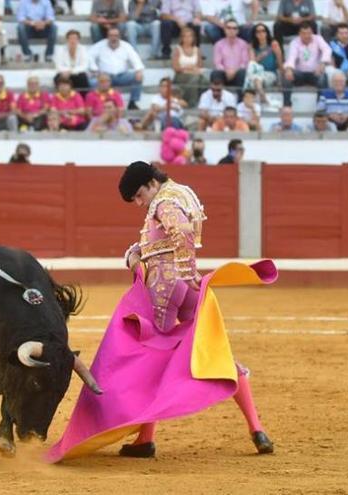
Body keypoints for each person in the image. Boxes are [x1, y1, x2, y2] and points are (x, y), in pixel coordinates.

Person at [61, 161, 274, 460]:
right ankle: (256, 428)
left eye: (138, 195)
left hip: (165, 286)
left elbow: (182, 232)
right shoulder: (180, 192)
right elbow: (161, 241)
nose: (138, 203)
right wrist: (138, 253)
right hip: (185, 289)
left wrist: (186, 272)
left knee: (152, 358)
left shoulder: (164, 200)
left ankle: (145, 440)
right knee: (213, 354)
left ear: (151, 183)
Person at [87, 27, 145, 110]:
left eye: (116, 36)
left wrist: (138, 70)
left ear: (119, 37)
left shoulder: (126, 46)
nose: (113, 38)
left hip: (122, 76)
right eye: (111, 36)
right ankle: (98, 104)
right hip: (104, 77)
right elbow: (89, 56)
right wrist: (95, 69)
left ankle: (132, 102)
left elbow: (136, 59)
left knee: (139, 77)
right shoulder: (100, 45)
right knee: (92, 82)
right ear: (107, 36)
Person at [282, 22, 332, 106]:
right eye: (304, 33)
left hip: (315, 72)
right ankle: (287, 105)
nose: (307, 36)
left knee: (323, 77)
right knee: (286, 77)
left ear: (312, 33)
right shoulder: (295, 42)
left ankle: (321, 106)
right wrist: (289, 69)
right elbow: (291, 57)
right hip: (300, 74)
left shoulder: (318, 39)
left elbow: (327, 50)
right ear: (299, 34)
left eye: (309, 33)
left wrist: (322, 63)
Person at [245, 23, 282, 105]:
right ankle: (262, 96)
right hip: (256, 73)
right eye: (258, 32)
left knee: (256, 79)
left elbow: (279, 62)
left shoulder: (273, 44)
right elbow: (252, 64)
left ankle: (261, 96)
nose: (261, 33)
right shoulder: (251, 46)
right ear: (255, 34)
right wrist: (260, 56)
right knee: (255, 77)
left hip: (270, 73)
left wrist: (280, 80)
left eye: (263, 31)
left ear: (267, 33)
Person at [171, 26, 205, 108]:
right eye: (185, 36)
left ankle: (200, 102)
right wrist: (188, 68)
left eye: (190, 36)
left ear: (193, 38)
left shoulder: (197, 50)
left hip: (194, 74)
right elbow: (176, 68)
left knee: (205, 81)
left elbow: (199, 67)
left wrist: (191, 69)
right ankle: (191, 104)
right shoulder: (177, 49)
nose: (187, 38)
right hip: (180, 76)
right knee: (195, 78)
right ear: (181, 38)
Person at [212, 20, 251, 90]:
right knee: (215, 73)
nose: (231, 30)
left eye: (234, 28)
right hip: (224, 74)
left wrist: (234, 71)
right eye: (229, 28)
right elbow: (217, 63)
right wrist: (226, 71)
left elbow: (244, 63)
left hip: (238, 74)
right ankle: (217, 99)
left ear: (238, 31)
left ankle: (241, 99)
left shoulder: (243, 44)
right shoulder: (218, 44)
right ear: (224, 30)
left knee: (243, 72)